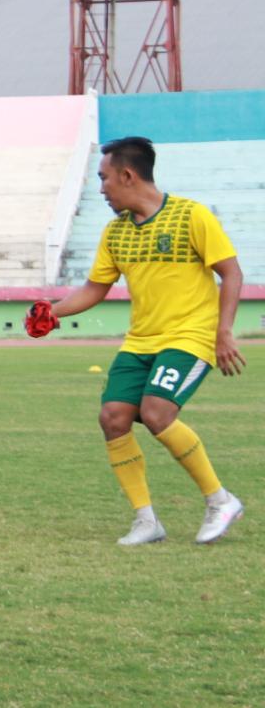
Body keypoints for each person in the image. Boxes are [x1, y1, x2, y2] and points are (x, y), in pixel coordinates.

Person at [32, 136, 246, 546]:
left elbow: (231, 273)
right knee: (112, 418)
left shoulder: (191, 216)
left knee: (156, 413)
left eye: (104, 178)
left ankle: (221, 500)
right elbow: (95, 288)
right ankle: (147, 521)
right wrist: (52, 312)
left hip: (189, 337)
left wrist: (223, 333)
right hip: (139, 342)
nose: (101, 188)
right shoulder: (115, 232)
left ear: (128, 175)